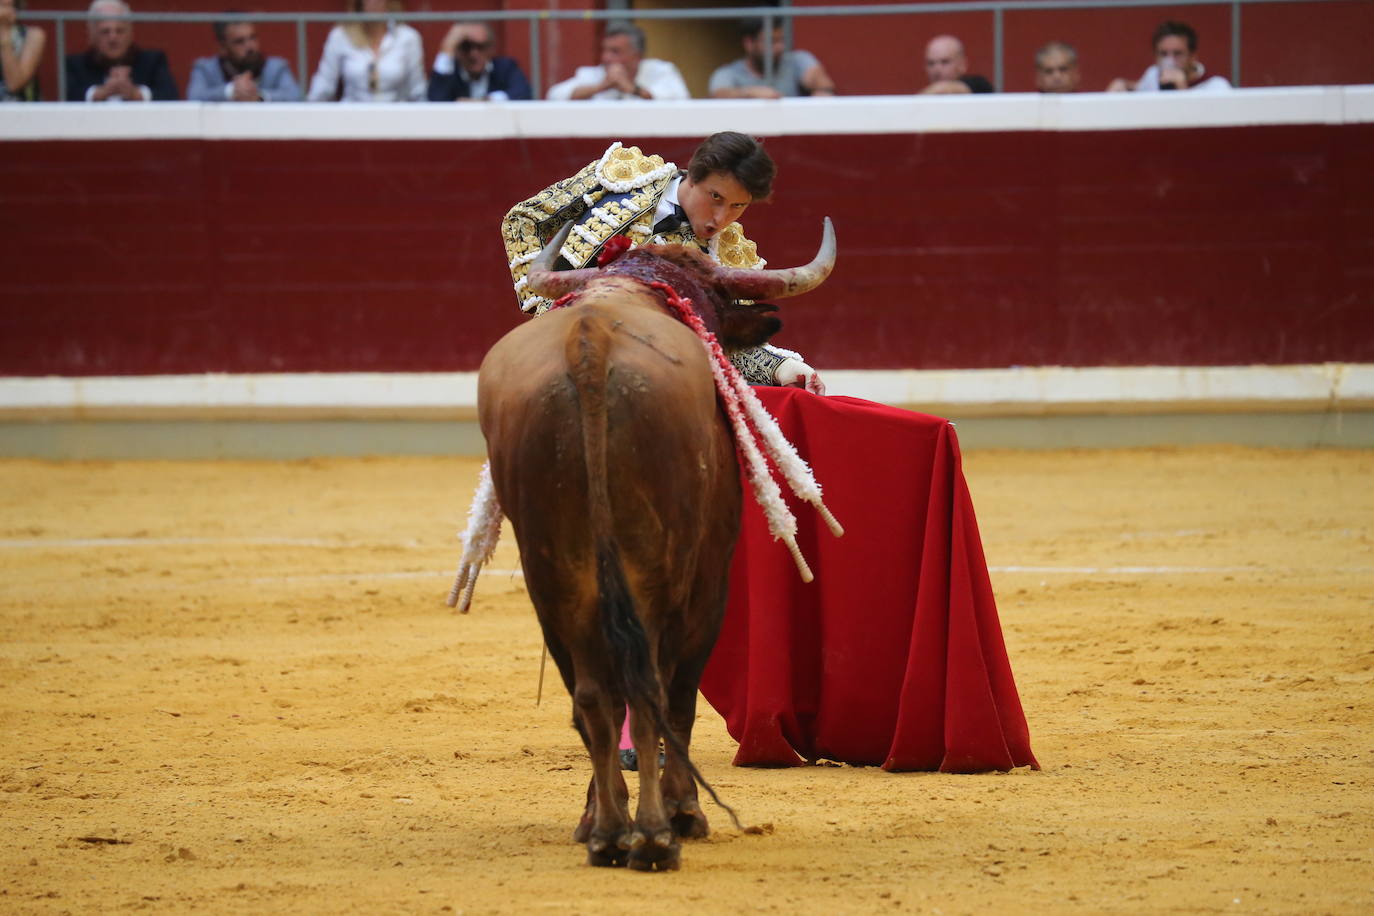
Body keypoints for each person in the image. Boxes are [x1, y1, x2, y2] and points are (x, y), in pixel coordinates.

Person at [307, 0, 425, 102]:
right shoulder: (340, 36)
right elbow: (323, 86)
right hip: (351, 117)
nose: (373, 1)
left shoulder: (408, 37)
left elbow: (418, 91)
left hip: (396, 118)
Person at [65, 0, 177, 102]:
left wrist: (135, 93)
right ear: (91, 34)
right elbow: (66, 97)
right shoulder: (74, 65)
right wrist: (100, 93)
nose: (113, 38)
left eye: (119, 31)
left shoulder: (153, 61)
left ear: (130, 33)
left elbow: (170, 96)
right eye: (105, 31)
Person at [545, 23, 688, 102]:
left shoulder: (661, 70)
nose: (606, 58)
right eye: (604, 50)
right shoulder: (593, 74)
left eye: (615, 51)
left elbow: (679, 97)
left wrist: (632, 89)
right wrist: (601, 87)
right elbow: (555, 95)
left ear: (637, 56)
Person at [708, 18, 835, 99]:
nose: (780, 47)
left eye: (781, 40)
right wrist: (750, 93)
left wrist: (820, 89)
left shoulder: (797, 60)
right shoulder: (729, 72)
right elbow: (717, 94)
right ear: (749, 43)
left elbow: (822, 83)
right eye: (771, 41)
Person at [187, 13, 302, 102]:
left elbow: (295, 97)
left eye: (253, 37)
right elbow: (193, 97)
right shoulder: (205, 68)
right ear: (223, 47)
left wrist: (258, 97)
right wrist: (231, 91)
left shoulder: (276, 67)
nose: (250, 46)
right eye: (239, 41)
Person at [1107, 20, 1232, 93]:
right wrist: (1123, 85)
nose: (1170, 60)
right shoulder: (1153, 75)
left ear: (1193, 56)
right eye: (1163, 54)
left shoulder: (1216, 87)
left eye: (1178, 54)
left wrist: (1182, 90)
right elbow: (1139, 89)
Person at [426, 21, 531, 102]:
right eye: (466, 47)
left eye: (480, 47)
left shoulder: (505, 68)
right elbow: (435, 100)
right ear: (457, 50)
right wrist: (447, 50)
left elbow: (523, 94)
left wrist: (484, 101)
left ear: (491, 48)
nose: (473, 54)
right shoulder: (450, 72)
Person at [919, 34, 993, 94]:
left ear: (962, 65)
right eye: (931, 63)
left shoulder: (979, 86)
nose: (937, 69)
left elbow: (945, 89)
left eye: (945, 62)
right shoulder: (928, 97)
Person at [0, 0, 44, 101]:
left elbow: (14, 84)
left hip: (21, 108)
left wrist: (3, 33)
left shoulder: (33, 36)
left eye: (7, 6)